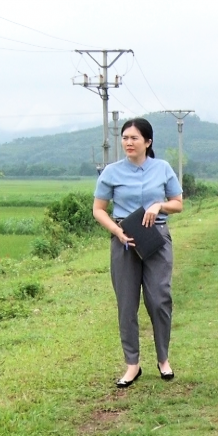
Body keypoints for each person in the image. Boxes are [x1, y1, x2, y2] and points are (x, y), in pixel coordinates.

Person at [93, 118, 183, 388]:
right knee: (127, 304)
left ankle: (163, 359)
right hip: (124, 239)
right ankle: (132, 364)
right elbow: (98, 209)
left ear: (148, 142)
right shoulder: (111, 171)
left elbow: (178, 204)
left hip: (157, 238)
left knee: (159, 299)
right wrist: (117, 231)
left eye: (134, 138)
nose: (128, 142)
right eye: (125, 138)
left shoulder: (163, 168)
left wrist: (159, 206)